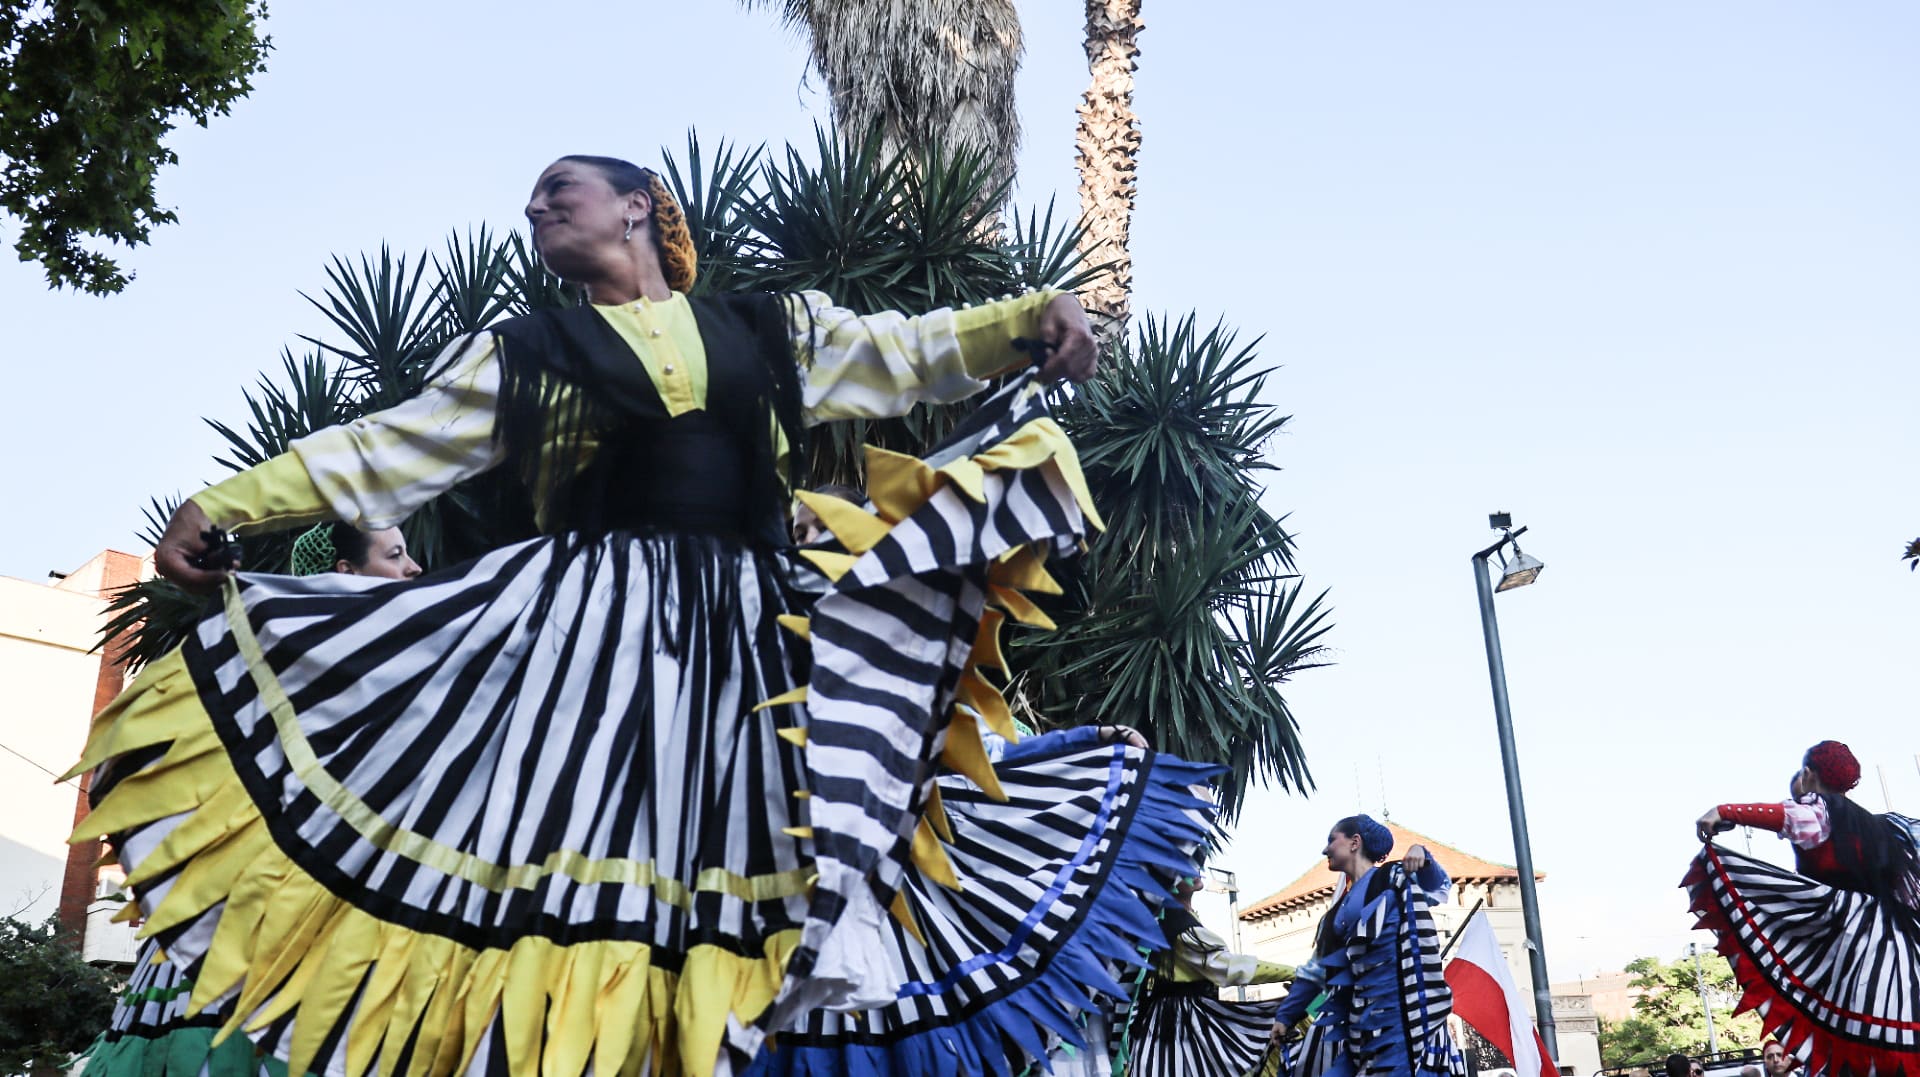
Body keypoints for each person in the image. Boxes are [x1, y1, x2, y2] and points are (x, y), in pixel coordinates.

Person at [68, 154, 1211, 1077]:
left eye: (555, 192)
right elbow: (386, 450)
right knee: (570, 879)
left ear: (636, 210)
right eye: (528, 203)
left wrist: (1028, 318)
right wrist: (222, 504)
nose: (532, 209)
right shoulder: (522, 353)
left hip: (752, 646)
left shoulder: (773, 331)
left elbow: (905, 354)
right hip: (582, 641)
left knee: (780, 877)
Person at [76, 526, 422, 1077]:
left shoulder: (384, 680)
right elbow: (119, 759)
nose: (414, 569)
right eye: (396, 554)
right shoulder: (265, 660)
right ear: (346, 572)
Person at [1688, 740, 1920, 1077]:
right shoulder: (1884, 826)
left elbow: (1791, 817)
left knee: (1855, 1039)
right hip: (1899, 950)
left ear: (1809, 774)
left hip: (1854, 943)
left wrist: (1723, 811)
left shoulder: (1821, 810)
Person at [1270, 815, 1464, 1077]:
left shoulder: (1393, 878)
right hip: (1363, 1037)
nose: (1325, 849)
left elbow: (1435, 885)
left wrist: (1423, 857)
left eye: (1331, 840)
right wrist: (1285, 1016)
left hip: (1407, 1030)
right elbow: (1315, 972)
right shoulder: (1334, 917)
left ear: (1355, 842)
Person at [1117, 875, 1294, 1077]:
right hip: (1177, 1024)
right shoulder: (1174, 921)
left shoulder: (1175, 916)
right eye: (1182, 866)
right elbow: (1225, 966)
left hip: (1182, 1018)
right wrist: (1293, 973)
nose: (1194, 870)